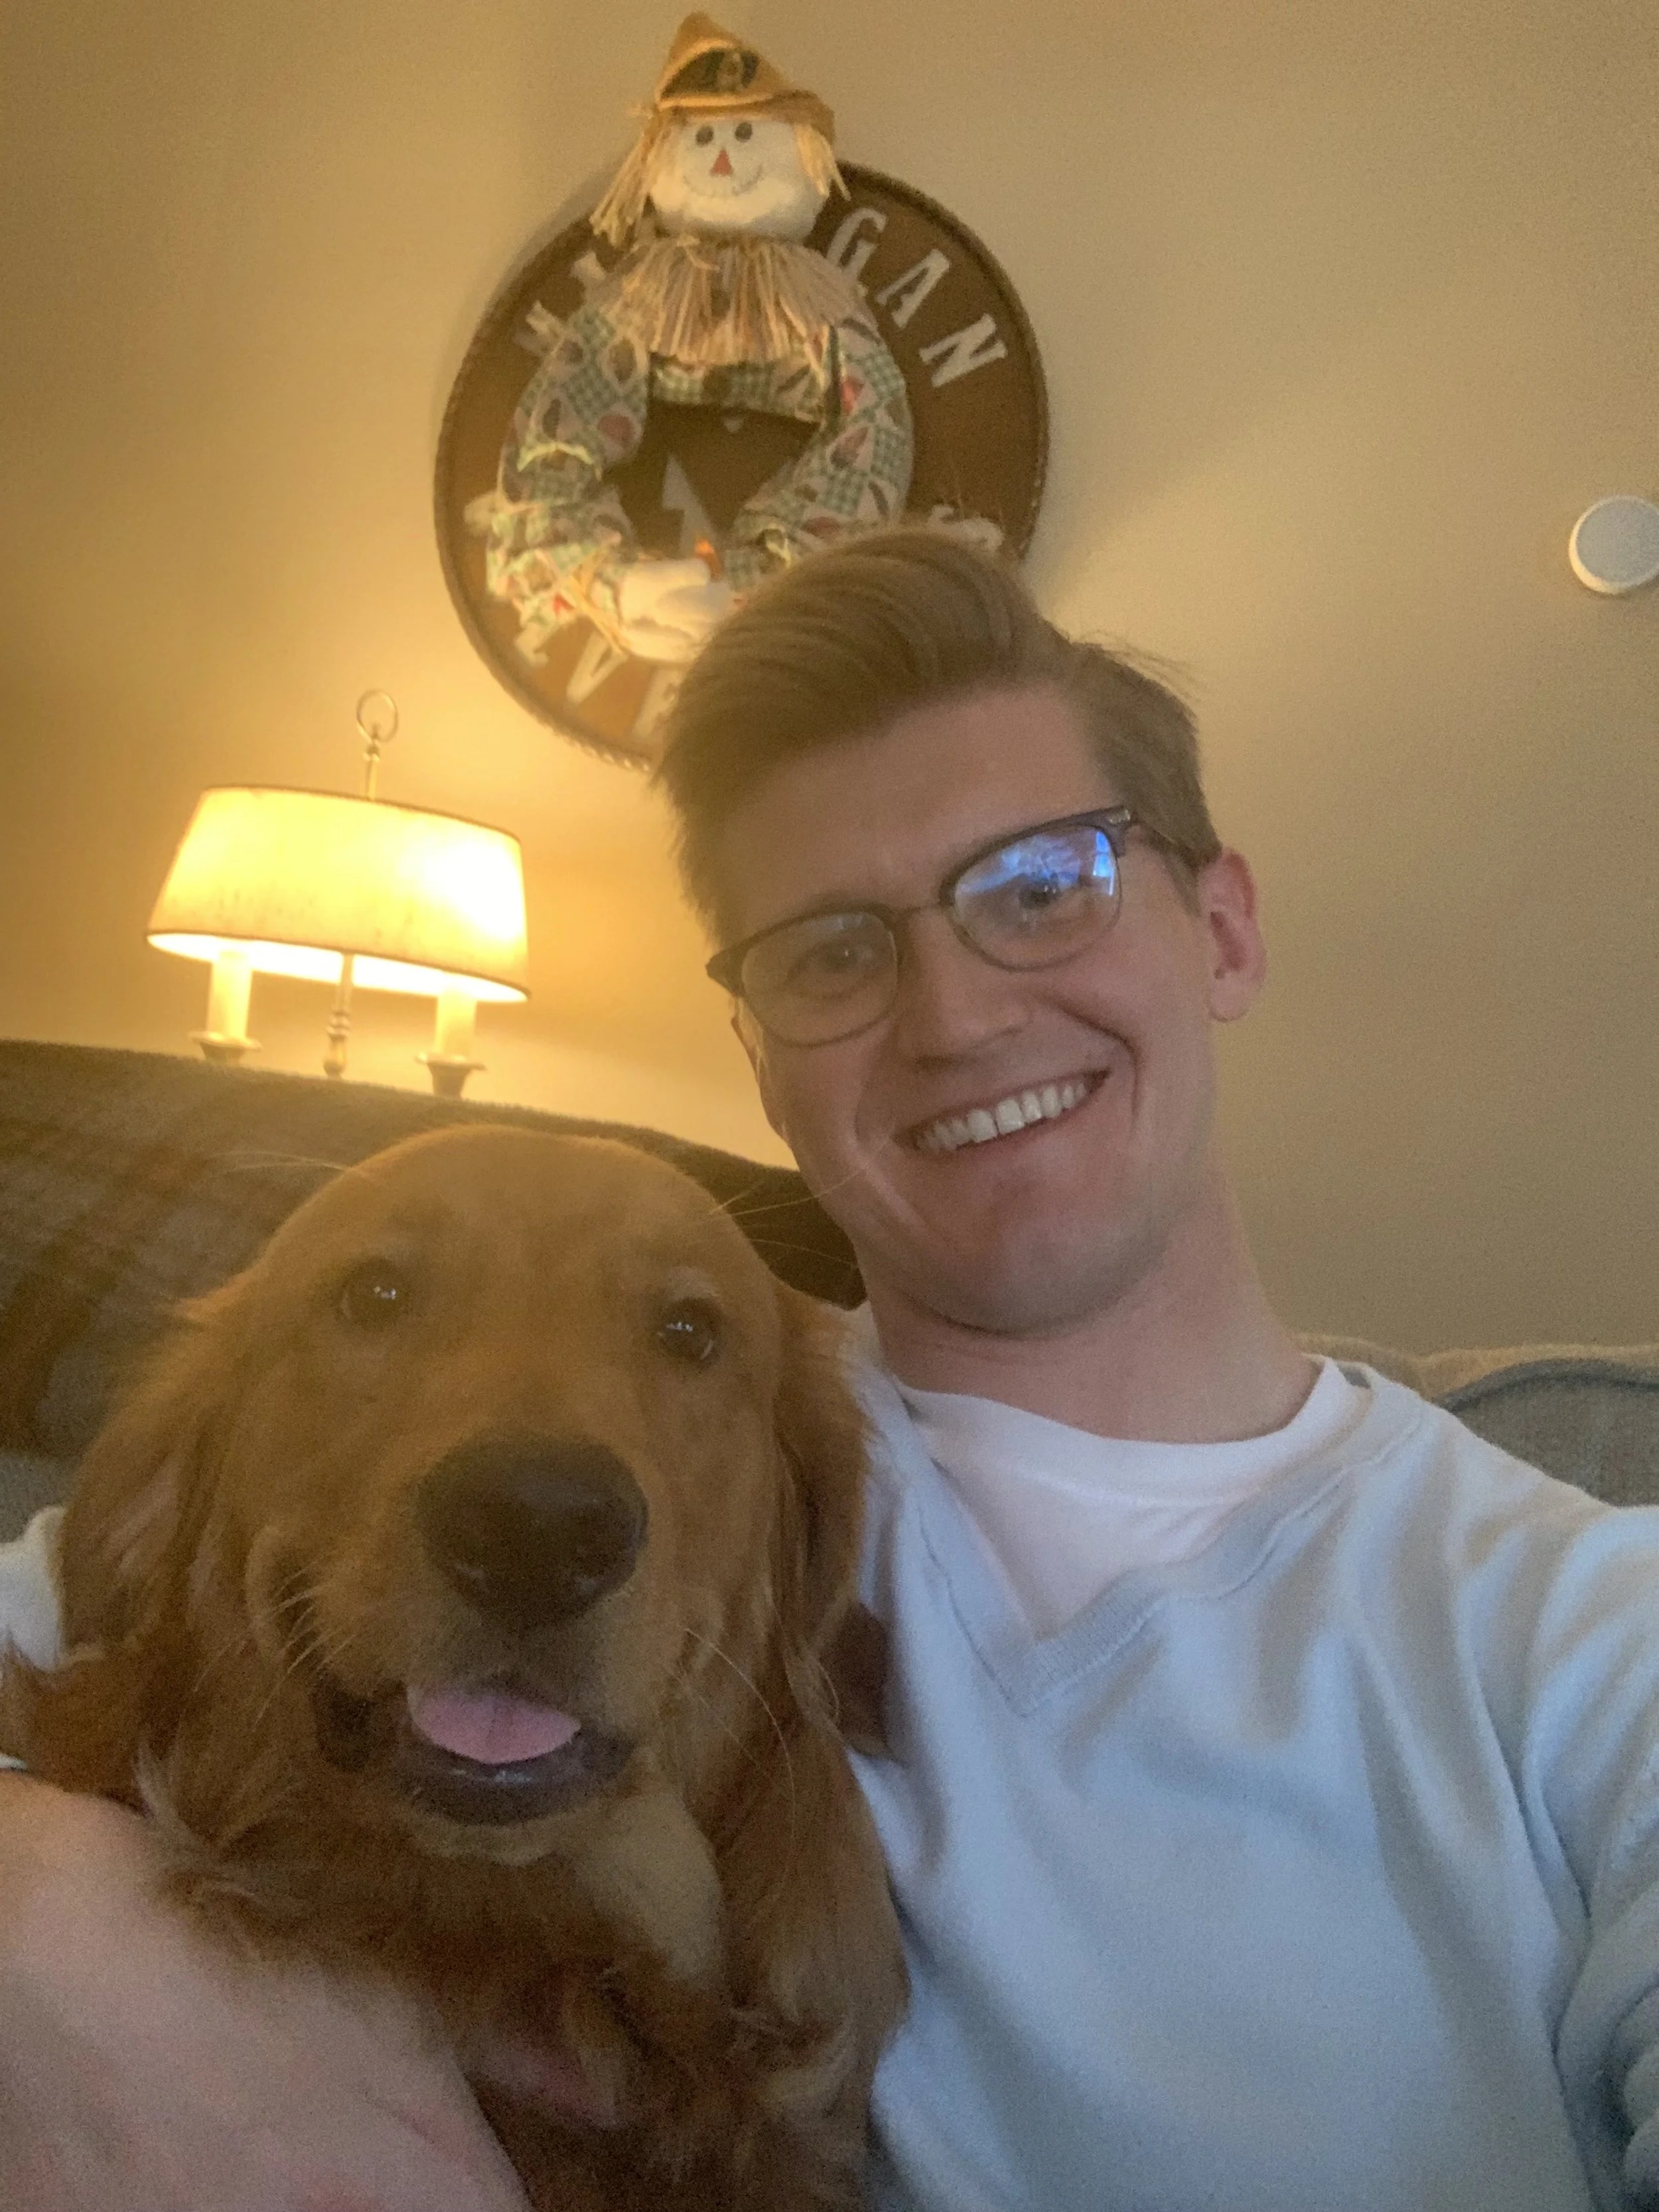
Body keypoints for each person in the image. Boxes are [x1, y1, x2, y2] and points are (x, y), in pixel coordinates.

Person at [1, 526, 1658, 2211]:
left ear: (1221, 930)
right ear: (757, 1050)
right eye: (831, 950)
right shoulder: (684, 1428)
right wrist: (51, 1923)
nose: (952, 1017)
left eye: (1040, 889)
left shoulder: (1588, 1637)